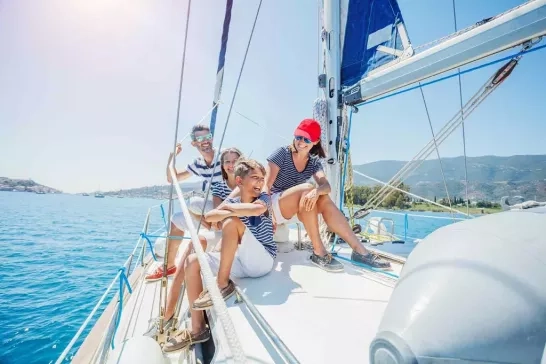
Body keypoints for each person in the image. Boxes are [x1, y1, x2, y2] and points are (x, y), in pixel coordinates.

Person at [163, 158, 275, 353]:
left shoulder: (263, 197)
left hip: (262, 259)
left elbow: (257, 209)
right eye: (255, 177)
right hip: (241, 261)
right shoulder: (233, 200)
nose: (260, 182)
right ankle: (198, 328)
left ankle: (222, 284)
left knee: (231, 222)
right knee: (192, 260)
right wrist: (228, 210)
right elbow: (210, 217)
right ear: (239, 181)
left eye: (262, 178)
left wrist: (228, 210)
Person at [265, 118, 391, 272]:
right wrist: (268, 213)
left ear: (315, 141)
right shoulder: (282, 153)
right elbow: (266, 186)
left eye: (306, 138)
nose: (301, 141)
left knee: (321, 196)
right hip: (272, 207)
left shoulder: (313, 162)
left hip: (294, 208)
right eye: (298, 136)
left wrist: (317, 192)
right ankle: (319, 252)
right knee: (307, 188)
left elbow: (326, 186)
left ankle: (359, 251)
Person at [158, 147, 243, 328]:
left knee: (197, 234)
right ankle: (169, 311)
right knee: (192, 249)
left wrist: (219, 217)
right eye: (226, 161)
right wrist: (171, 157)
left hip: (240, 232)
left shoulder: (247, 182)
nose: (230, 165)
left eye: (234, 161)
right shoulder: (218, 186)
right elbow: (219, 221)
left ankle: (175, 314)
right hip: (224, 230)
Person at [145, 124, 223, 281]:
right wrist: (172, 155)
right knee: (176, 219)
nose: (205, 141)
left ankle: (215, 225)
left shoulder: (224, 157)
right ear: (194, 143)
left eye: (207, 137)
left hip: (228, 208)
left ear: (212, 138)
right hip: (215, 208)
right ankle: (169, 267)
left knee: (194, 203)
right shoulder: (199, 163)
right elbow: (171, 177)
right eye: (200, 138)